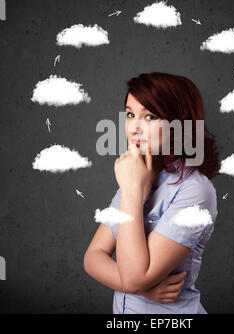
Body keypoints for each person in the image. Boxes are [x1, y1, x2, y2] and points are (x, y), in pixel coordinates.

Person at [84, 72, 220, 314]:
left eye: (149, 116)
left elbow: (134, 277)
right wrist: (141, 288)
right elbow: (93, 257)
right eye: (129, 114)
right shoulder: (136, 176)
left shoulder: (195, 191)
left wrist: (132, 190)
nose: (134, 128)